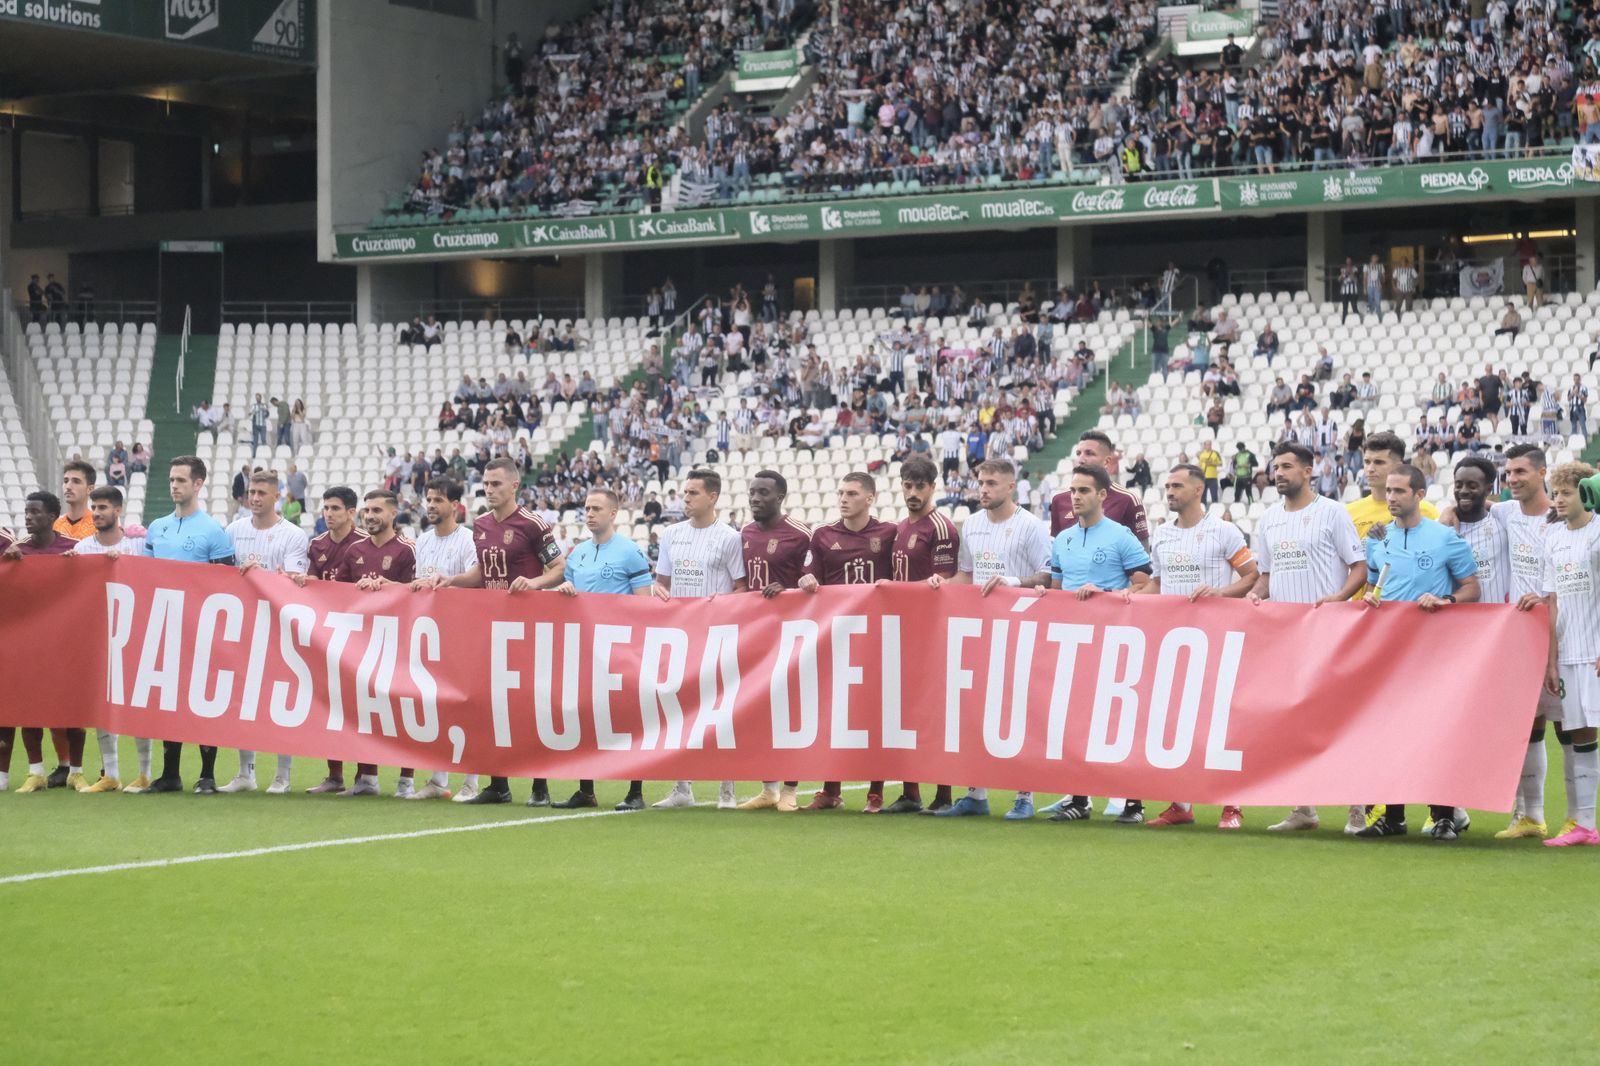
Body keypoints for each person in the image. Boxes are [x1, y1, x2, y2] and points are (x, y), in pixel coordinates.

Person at [424, 458, 565, 806]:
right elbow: (481, 573)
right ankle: (497, 783)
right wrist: (452, 580)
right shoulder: (482, 525)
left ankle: (539, 785)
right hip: (490, 626)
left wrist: (533, 583)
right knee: (488, 705)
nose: (489, 489)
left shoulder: (533, 524)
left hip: (527, 626)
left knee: (529, 705)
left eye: (496, 484)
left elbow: (559, 568)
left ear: (514, 486)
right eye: (486, 484)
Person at [1354, 465, 1481, 840]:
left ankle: (1443, 816)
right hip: (1390, 651)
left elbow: (1472, 588)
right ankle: (1394, 817)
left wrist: (1446, 600)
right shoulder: (1378, 539)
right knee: (1390, 732)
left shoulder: (1444, 538)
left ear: (1419, 495)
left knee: (1437, 731)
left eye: (1399, 491)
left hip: (1434, 652)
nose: (1390, 497)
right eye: (1388, 491)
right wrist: (1369, 599)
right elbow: (1374, 587)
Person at [1251, 443, 1367, 833]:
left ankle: (1357, 807)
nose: (1279, 473)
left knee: (1340, 720)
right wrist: (1255, 596)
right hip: (1286, 638)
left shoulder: (1332, 512)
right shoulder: (1269, 519)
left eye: (1287, 466)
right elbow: (1265, 576)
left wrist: (1339, 598)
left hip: (1329, 632)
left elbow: (1359, 566)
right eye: (1275, 467)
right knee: (1296, 722)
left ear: (1308, 470)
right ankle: (1304, 807)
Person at [1139, 465, 1260, 830]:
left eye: (1177, 485)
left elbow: (1252, 576)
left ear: (1197, 490)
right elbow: (1157, 583)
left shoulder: (1223, 531)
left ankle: (1231, 805)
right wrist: (1126, 598)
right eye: (1167, 486)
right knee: (1177, 722)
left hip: (1215, 639)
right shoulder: (1162, 534)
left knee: (1219, 723)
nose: (1169, 491)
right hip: (1172, 642)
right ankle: (1181, 803)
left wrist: (1219, 593)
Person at [932, 458, 1052, 820]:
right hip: (979, 630)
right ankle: (976, 793)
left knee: (1019, 712)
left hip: (1019, 630)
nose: (983, 489)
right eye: (980, 482)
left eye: (991, 483)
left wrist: (1013, 582)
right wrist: (940, 584)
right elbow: (966, 576)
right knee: (974, 709)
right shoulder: (971, 524)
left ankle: (1025, 795)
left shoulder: (1031, 526)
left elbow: (1047, 576)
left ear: (1011, 487)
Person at [1044, 464, 1154, 825]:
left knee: (1120, 721)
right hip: (1074, 644)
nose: (1075, 497)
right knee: (1075, 722)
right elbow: (1058, 591)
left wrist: (1106, 593)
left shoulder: (1121, 536)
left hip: (1114, 644)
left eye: (1084, 491)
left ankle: (1134, 803)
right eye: (1073, 490)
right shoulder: (1063, 539)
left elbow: (1144, 585)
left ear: (1102, 495)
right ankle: (1079, 799)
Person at [796, 472, 897, 812]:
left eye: (852, 493)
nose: (843, 498)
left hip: (878, 637)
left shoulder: (889, 534)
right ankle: (830, 789)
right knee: (835, 711)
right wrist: (806, 579)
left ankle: (876, 792)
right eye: (841, 492)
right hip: (837, 637)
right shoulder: (823, 536)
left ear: (870, 498)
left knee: (876, 713)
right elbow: (809, 573)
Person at [136, 457, 236, 795]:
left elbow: (227, 585)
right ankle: (170, 775)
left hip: (201, 629)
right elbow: (145, 576)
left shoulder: (213, 531)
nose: (174, 486)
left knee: (203, 699)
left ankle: (207, 775)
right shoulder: (156, 527)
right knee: (168, 698)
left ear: (198, 484)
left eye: (181, 480)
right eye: (171, 480)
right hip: (165, 627)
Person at [551, 487, 654, 811]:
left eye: (596, 508)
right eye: (586, 508)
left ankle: (635, 791)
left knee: (628, 717)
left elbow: (645, 604)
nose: (589, 513)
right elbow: (569, 593)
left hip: (620, 649)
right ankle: (586, 790)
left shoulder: (630, 552)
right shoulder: (577, 553)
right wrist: (565, 590)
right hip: (585, 648)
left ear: (613, 513)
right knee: (584, 714)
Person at [650, 469, 747, 811]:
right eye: (685, 492)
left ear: (712, 496)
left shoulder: (730, 538)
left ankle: (727, 789)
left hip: (718, 634)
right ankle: (682, 787)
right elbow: (661, 582)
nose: (686, 499)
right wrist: (659, 591)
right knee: (678, 707)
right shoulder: (672, 535)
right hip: (681, 635)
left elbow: (742, 588)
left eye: (693, 493)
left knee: (722, 708)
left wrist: (722, 604)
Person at [875, 456, 960, 814]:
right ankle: (911, 792)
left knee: (935, 712)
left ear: (932, 487)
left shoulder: (941, 528)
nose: (912, 492)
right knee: (903, 711)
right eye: (907, 485)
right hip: (902, 631)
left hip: (931, 632)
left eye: (919, 486)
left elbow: (946, 581)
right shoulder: (900, 528)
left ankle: (944, 794)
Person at [220, 470, 311, 796]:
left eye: (261, 493)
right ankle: (246, 772)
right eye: (252, 493)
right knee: (242, 698)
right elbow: (221, 575)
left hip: (278, 627)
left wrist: (262, 575)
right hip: (243, 626)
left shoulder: (293, 535)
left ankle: (282, 775)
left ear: (277, 496)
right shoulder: (233, 530)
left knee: (280, 700)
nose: (255, 498)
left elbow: (295, 582)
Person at [326, 490, 417, 798]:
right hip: (363, 643)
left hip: (399, 641)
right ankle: (367, 778)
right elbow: (336, 593)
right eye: (367, 511)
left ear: (393, 513)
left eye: (377, 510)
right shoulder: (354, 550)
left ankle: (406, 781)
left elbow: (418, 593)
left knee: (403, 707)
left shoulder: (407, 549)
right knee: (363, 707)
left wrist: (390, 587)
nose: (370, 516)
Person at [1528, 461, 1600, 845]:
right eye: (1555, 493)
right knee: (1577, 733)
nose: (1558, 500)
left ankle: (1585, 823)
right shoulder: (1553, 538)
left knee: (1585, 731)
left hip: (1595, 650)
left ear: (1584, 495)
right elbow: (1552, 602)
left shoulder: (1598, 532)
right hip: (1569, 651)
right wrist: (1551, 660)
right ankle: (1583, 823)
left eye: (1567, 493)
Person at [735, 470, 814, 813]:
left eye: (763, 492)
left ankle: (791, 789)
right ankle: (768, 789)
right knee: (760, 711)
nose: (755, 498)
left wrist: (790, 590)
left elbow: (815, 584)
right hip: (755, 636)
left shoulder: (801, 534)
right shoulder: (745, 533)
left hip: (792, 635)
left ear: (780, 497)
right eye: (753, 492)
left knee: (791, 710)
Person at [402, 477, 480, 802]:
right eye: (429, 499)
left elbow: (478, 576)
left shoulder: (468, 540)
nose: (431, 505)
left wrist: (450, 581)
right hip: (432, 634)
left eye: (438, 500)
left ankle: (471, 780)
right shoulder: (422, 541)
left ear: (455, 506)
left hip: (463, 633)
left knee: (465, 707)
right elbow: (420, 582)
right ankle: (438, 778)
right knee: (434, 704)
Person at [68, 486, 149, 792]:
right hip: (98, 637)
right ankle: (111, 774)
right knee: (102, 703)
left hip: (136, 634)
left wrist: (124, 564)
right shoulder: (82, 548)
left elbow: (155, 577)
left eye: (103, 508)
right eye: (95, 508)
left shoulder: (138, 544)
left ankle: (145, 774)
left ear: (118, 510)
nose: (97, 513)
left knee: (139, 703)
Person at [0, 492, 81, 793]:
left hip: (64, 642)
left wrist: (79, 564)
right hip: (29, 643)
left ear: (51, 517)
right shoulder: (17, 550)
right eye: (27, 512)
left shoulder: (73, 548)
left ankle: (75, 770)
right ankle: (35, 771)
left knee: (69, 706)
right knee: (28, 704)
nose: (28, 517)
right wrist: (9, 564)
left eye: (35, 512)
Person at [300, 487, 371, 795]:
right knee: (331, 704)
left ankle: (366, 775)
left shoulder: (365, 543)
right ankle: (334, 775)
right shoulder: (317, 544)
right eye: (326, 508)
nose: (328, 514)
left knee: (361, 705)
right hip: (327, 634)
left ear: (351, 513)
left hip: (360, 634)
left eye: (335, 508)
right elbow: (313, 582)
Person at [1050, 430, 1150, 547]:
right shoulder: (1059, 500)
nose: (1081, 459)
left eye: (1089, 453)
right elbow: (1057, 549)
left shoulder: (1128, 500)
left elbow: (1142, 551)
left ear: (1106, 462)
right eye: (1078, 453)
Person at [1197, 440, 1222, 505]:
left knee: (1214, 496)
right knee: (1202, 497)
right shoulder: (1202, 454)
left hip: (1212, 477)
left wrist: (1212, 464)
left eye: (1210, 444)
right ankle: (1203, 509)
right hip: (1203, 477)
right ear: (1204, 446)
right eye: (1207, 444)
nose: (1209, 446)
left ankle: (1215, 509)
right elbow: (1200, 465)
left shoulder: (1215, 453)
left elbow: (1220, 464)